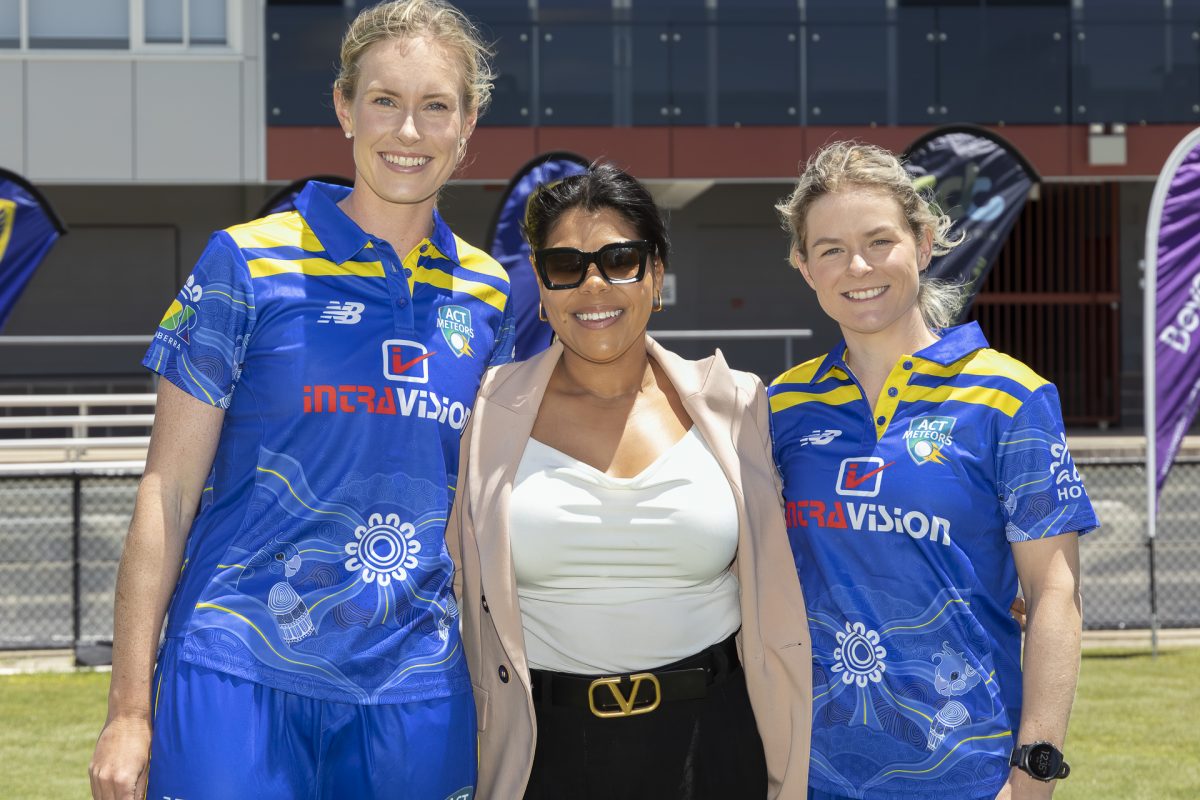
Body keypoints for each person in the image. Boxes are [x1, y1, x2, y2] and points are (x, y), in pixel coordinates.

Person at [88, 2, 513, 798]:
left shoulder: (491, 292)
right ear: (345, 108)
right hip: (235, 673)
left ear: (468, 125)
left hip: (414, 690)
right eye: (385, 100)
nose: (408, 132)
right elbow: (168, 493)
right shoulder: (245, 262)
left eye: (436, 106)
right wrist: (129, 712)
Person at [447, 163, 813, 799]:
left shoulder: (738, 405)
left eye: (620, 259)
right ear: (540, 282)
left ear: (656, 273)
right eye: (566, 264)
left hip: (713, 742)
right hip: (543, 750)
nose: (594, 284)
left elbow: (824, 525)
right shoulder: (485, 412)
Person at [769, 141, 1096, 800]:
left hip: (968, 780)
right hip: (812, 777)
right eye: (830, 249)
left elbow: (1055, 595)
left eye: (878, 241)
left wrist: (1032, 776)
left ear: (922, 243)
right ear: (804, 268)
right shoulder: (781, 405)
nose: (857, 266)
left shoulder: (1009, 395)